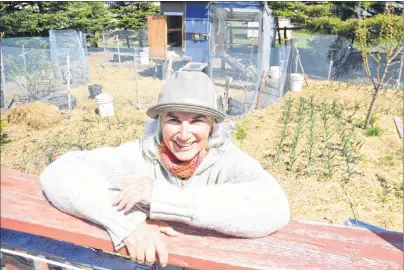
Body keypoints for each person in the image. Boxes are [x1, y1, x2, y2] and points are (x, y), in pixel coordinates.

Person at [40, 71, 290, 268]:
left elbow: (274, 207)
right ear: (159, 123)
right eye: (173, 120)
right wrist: (129, 223)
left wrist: (161, 198)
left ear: (212, 126)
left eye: (196, 120)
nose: (184, 134)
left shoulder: (227, 161)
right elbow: (60, 172)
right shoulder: (141, 154)